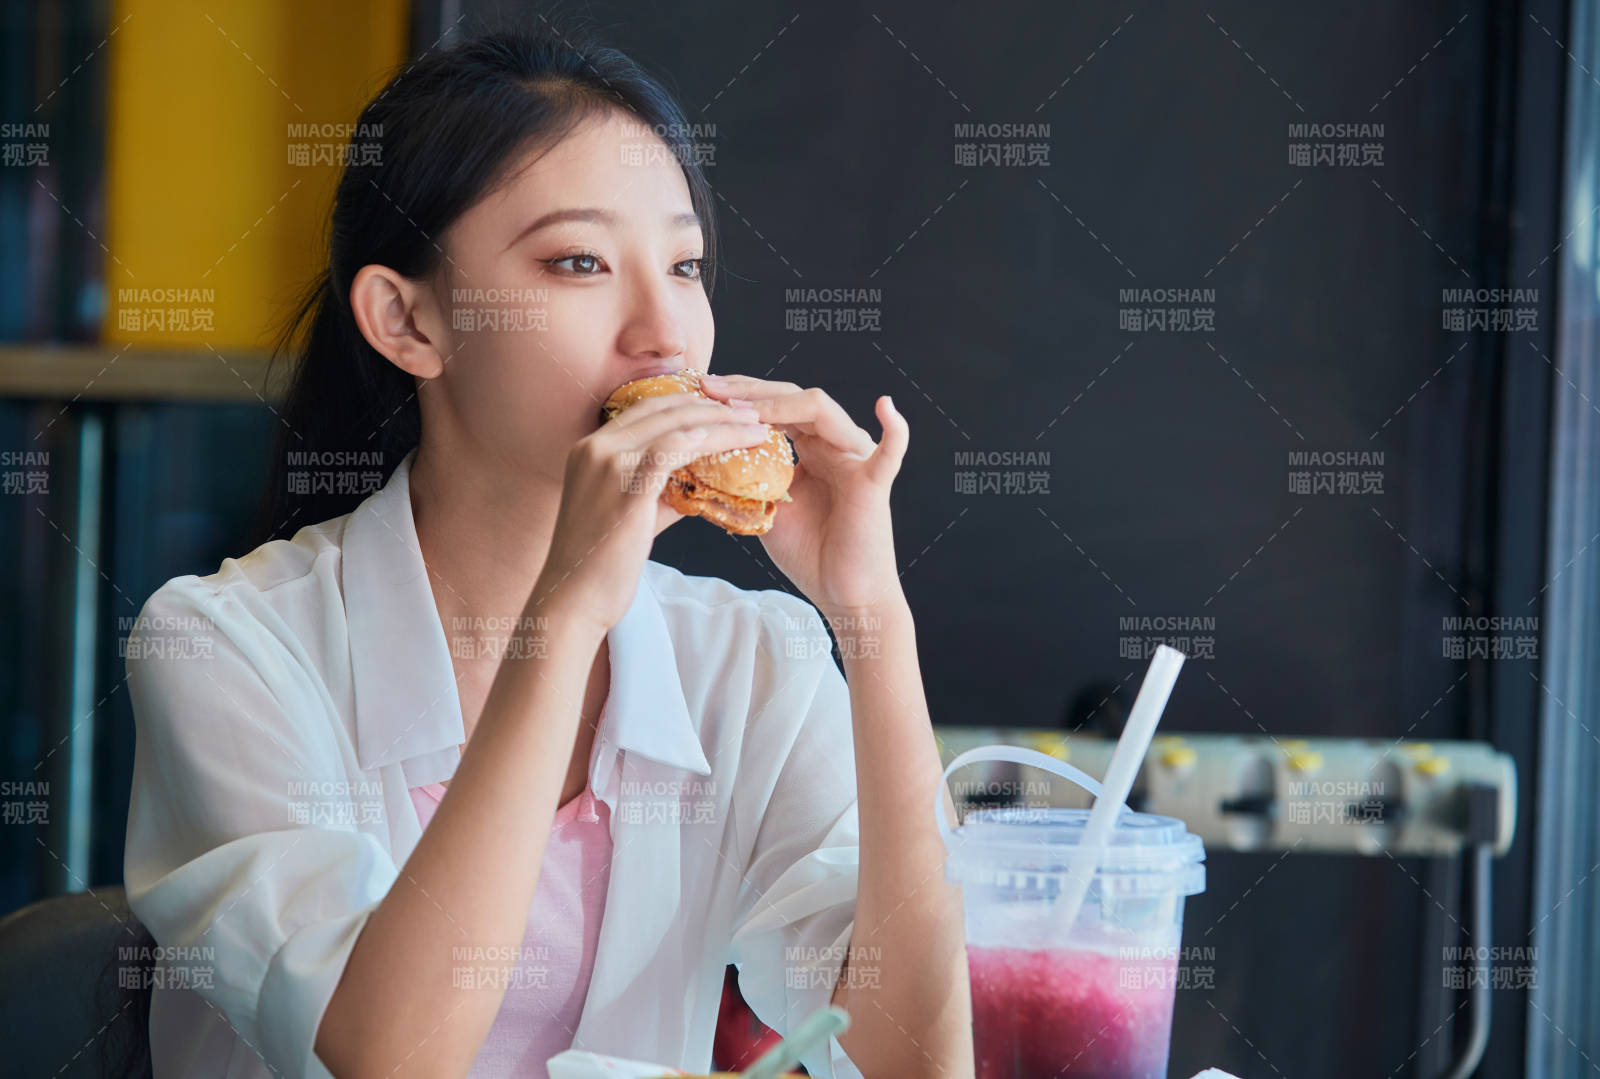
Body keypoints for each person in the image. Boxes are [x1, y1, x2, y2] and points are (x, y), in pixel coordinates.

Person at [121, 23, 971, 1079]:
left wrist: (872, 617)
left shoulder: (752, 659)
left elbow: (909, 1062)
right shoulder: (224, 645)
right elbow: (385, 1055)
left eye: (685, 263)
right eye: (579, 262)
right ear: (407, 320)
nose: (665, 332)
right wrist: (560, 620)